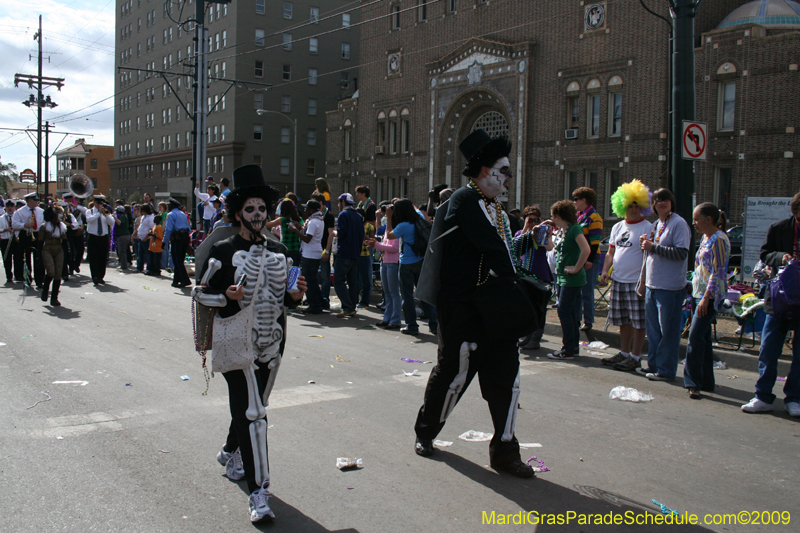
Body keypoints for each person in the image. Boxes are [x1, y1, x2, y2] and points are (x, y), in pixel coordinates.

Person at [412, 129, 532, 478]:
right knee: (454, 373)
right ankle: (425, 432)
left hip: (494, 309)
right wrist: (517, 278)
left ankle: (505, 452)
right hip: (462, 308)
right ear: (484, 171)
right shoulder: (464, 201)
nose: (508, 178)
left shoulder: (495, 208)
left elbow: (505, 245)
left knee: (507, 378)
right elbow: (491, 247)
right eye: (504, 170)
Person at [195, 164, 306, 523]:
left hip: (272, 344)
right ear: (238, 211)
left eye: (262, 209)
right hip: (236, 342)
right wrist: (226, 296)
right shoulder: (223, 249)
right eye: (251, 209)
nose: (258, 215)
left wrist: (296, 295)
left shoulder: (281, 254)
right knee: (255, 414)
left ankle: (231, 450)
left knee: (252, 405)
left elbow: (288, 299)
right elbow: (200, 294)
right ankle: (260, 491)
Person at [742, 191, 800, 416]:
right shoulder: (779, 228)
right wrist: (782, 257)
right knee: (768, 349)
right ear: (795, 211)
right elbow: (765, 254)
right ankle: (763, 396)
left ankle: (794, 397)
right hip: (780, 297)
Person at [598, 181, 653, 372]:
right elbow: (610, 253)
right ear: (623, 206)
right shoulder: (617, 227)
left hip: (636, 282)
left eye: (637, 205)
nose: (634, 208)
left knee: (638, 321)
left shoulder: (648, 227)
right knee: (622, 320)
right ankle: (624, 353)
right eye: (630, 205)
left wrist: (644, 281)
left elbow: (649, 256)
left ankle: (636, 357)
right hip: (618, 280)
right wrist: (605, 271)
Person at [638, 188, 692, 381]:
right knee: (653, 332)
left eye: (666, 200)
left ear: (672, 202)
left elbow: (681, 253)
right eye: (658, 200)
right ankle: (653, 365)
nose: (662, 203)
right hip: (653, 285)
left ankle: (666, 370)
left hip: (670, 287)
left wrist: (654, 247)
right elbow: (651, 250)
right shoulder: (657, 224)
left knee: (668, 332)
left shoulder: (678, 224)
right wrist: (646, 243)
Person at [684, 202, 730, 399]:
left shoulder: (719, 239)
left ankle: (693, 382)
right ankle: (707, 380)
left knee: (694, 337)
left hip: (708, 297)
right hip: (698, 292)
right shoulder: (705, 238)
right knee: (703, 339)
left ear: (708, 219)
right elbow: (701, 267)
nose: (694, 223)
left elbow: (718, 271)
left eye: (696, 219)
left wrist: (706, 298)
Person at [384, 199, 437, 335]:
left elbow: (390, 234)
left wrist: (389, 217)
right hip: (422, 261)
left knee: (407, 296)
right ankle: (434, 325)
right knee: (424, 295)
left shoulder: (403, 226)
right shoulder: (419, 219)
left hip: (407, 263)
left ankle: (411, 326)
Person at [547, 199, 591, 360]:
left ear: (558, 215)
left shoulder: (574, 229)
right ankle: (572, 347)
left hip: (571, 278)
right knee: (570, 312)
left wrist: (576, 267)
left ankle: (568, 348)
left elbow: (585, 249)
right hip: (563, 277)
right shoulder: (563, 230)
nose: (552, 219)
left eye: (553, 216)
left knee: (564, 311)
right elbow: (551, 248)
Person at [514, 205, 554, 350]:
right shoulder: (521, 232)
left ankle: (536, 338)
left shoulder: (542, 232)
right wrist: (526, 227)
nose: (533, 222)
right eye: (530, 219)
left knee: (539, 308)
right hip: (524, 275)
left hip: (540, 274)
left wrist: (542, 231)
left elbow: (549, 247)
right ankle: (528, 335)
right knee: (527, 307)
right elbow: (515, 248)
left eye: (535, 219)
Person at [573, 187, 603, 331]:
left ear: (583, 200)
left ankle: (589, 321)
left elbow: (595, 241)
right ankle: (577, 318)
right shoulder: (579, 216)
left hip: (589, 259)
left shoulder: (594, 217)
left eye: (576, 199)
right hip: (579, 258)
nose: (574, 202)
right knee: (578, 291)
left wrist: (590, 260)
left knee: (587, 291)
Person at [367, 213, 401, 329]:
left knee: (394, 293)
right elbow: (385, 245)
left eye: (389, 219)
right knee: (387, 293)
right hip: (385, 262)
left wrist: (376, 245)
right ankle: (387, 318)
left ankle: (395, 320)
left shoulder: (397, 231)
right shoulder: (388, 231)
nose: (387, 222)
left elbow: (395, 248)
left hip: (393, 263)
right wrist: (376, 244)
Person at [291, 200, 325, 314]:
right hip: (314, 253)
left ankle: (314, 305)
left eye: (307, 209)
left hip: (309, 254)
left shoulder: (313, 222)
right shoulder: (319, 220)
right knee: (313, 280)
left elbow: (307, 238)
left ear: (311, 210)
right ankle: (318, 302)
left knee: (309, 281)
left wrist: (295, 230)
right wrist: (300, 227)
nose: (305, 211)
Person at [333, 192, 364, 318]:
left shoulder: (343, 215)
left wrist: (334, 232)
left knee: (339, 281)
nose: (338, 205)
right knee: (353, 282)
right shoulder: (358, 215)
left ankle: (347, 306)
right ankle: (352, 306)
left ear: (343, 202)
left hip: (344, 252)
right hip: (355, 253)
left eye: (339, 202)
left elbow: (341, 233)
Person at [11, 192, 45, 288]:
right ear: (29, 201)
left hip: (37, 234)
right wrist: (24, 225)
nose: (37, 202)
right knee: (26, 258)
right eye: (35, 200)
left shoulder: (41, 211)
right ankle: (27, 278)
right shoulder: (20, 212)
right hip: (25, 234)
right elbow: (14, 224)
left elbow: (45, 222)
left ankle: (39, 280)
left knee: (39, 258)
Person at [311, 191, 336, 310]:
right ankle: (315, 297)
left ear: (320, 203)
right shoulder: (313, 214)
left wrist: (327, 251)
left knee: (325, 275)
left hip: (323, 247)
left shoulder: (328, 215)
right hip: (314, 249)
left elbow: (331, 234)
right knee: (314, 274)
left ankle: (325, 298)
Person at [39, 205, 68, 306]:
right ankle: (45, 290)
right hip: (47, 249)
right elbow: (40, 242)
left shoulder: (61, 226)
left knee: (58, 274)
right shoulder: (44, 227)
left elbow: (64, 241)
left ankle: (54, 298)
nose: (60, 215)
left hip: (58, 250)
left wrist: (68, 255)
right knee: (51, 272)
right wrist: (39, 256)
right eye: (58, 213)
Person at [84, 195, 115, 286]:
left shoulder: (105, 212)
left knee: (102, 258)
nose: (100, 205)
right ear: (94, 203)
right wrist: (98, 214)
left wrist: (105, 214)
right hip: (93, 237)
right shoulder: (89, 211)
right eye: (98, 203)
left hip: (103, 237)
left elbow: (112, 222)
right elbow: (90, 220)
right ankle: (95, 276)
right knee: (94, 258)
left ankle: (101, 276)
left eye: (102, 203)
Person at [162, 197, 192, 288]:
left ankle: (185, 280)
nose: (168, 207)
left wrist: (164, 241)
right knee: (180, 259)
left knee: (177, 261)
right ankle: (176, 280)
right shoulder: (183, 214)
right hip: (185, 236)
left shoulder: (170, 215)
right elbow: (188, 228)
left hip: (177, 238)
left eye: (169, 205)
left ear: (172, 206)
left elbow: (169, 229)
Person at [356, 207, 375, 308]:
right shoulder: (353, 225)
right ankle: (355, 299)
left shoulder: (369, 226)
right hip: (354, 255)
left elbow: (373, 240)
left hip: (364, 255)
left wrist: (365, 236)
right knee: (355, 279)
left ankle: (365, 300)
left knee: (365, 279)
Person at [0, 201, 20, 283]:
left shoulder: (17, 217)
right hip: (5, 240)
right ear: (5, 207)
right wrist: (5, 230)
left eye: (11, 206)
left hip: (16, 240)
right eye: (8, 206)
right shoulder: (1, 218)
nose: (9, 208)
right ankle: (9, 276)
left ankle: (18, 275)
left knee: (18, 258)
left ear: (14, 207)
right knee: (7, 259)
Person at [136, 204, 155, 273]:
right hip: (141, 238)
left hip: (147, 239)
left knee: (148, 254)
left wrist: (146, 237)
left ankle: (149, 268)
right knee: (140, 253)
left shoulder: (150, 218)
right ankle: (139, 267)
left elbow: (152, 229)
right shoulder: (143, 217)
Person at [114, 206, 131, 270]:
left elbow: (120, 223)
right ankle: (123, 264)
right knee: (122, 251)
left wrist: (115, 217)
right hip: (123, 235)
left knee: (122, 251)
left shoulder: (122, 216)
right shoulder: (123, 216)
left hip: (123, 236)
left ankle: (124, 266)